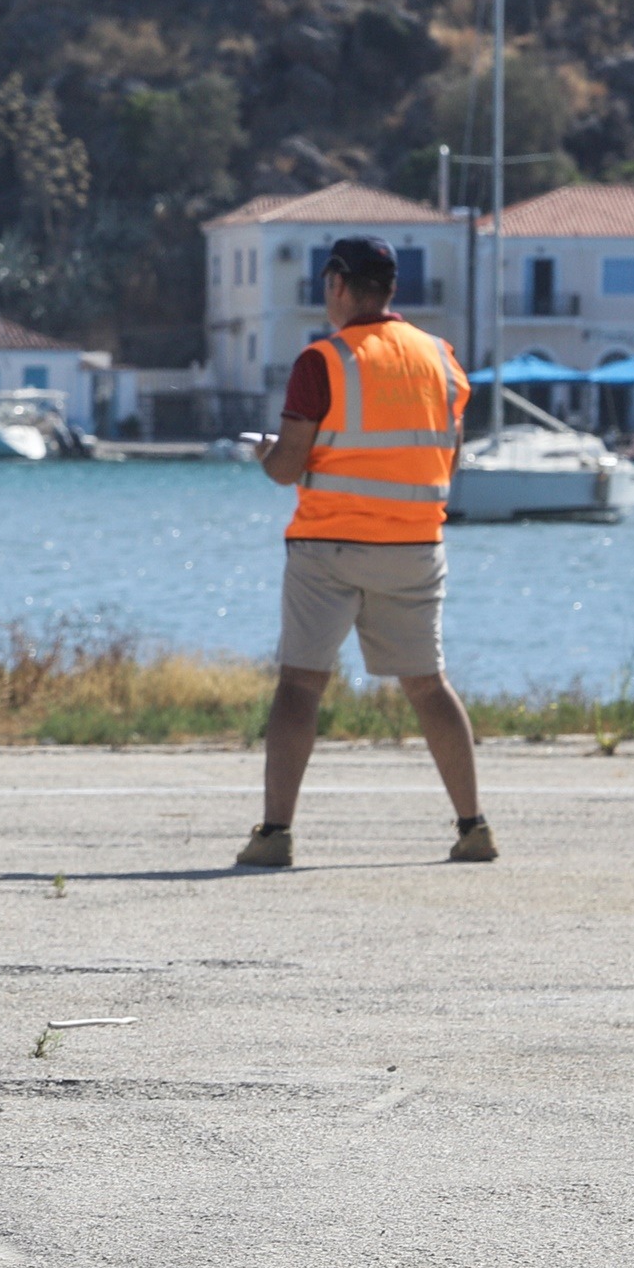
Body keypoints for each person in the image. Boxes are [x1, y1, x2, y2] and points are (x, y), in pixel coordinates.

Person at [236, 236, 492, 869]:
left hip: (330, 543)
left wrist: (266, 453)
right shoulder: (442, 359)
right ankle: (473, 826)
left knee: (300, 684)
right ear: (392, 289)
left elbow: (288, 467)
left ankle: (275, 835)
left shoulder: (322, 361)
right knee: (429, 687)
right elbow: (447, 458)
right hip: (414, 544)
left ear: (338, 285)